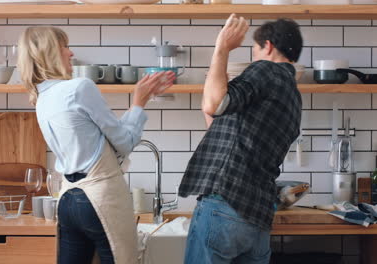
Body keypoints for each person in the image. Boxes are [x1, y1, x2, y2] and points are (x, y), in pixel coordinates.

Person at [17, 26, 176, 264]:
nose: (71, 53)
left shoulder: (41, 99)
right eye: (65, 47)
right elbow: (125, 142)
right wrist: (139, 102)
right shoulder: (79, 87)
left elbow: (106, 141)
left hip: (69, 201)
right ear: (51, 53)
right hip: (100, 200)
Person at [179, 14, 303, 264]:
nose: (254, 57)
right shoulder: (293, 96)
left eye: (254, 50)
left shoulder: (266, 69)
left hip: (225, 204)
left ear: (267, 46)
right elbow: (225, 121)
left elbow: (214, 102)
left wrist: (222, 48)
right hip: (257, 219)